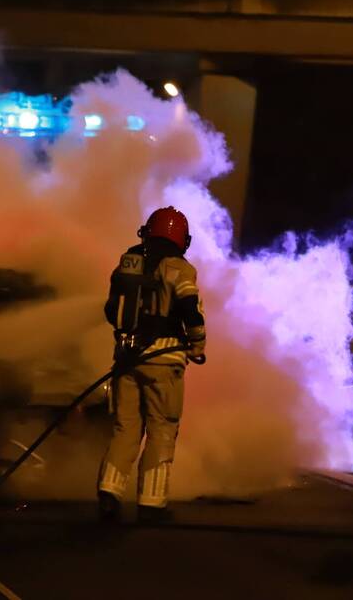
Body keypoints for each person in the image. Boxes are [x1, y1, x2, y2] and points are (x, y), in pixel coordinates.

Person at [97, 206, 206, 523]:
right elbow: (190, 308)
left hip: (126, 359)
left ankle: (109, 493)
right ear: (182, 240)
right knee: (161, 430)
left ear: (146, 231)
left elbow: (110, 311)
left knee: (125, 429)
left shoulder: (130, 262)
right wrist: (197, 343)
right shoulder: (179, 269)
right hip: (164, 360)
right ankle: (151, 504)